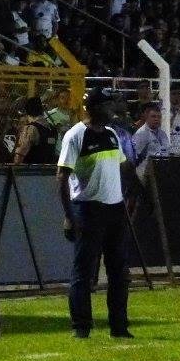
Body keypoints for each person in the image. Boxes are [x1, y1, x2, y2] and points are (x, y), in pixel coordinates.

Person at [57, 87, 134, 340]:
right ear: (94, 108)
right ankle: (81, 327)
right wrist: (69, 215)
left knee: (119, 271)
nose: (112, 110)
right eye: (108, 105)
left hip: (114, 209)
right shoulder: (75, 135)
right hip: (88, 209)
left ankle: (119, 326)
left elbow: (123, 166)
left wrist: (129, 193)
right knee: (84, 271)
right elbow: (62, 177)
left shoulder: (112, 135)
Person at [13, 97, 59, 165]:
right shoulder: (52, 129)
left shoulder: (30, 128)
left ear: (26, 113)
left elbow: (19, 155)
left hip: (30, 172)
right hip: (49, 172)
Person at [132, 102, 169, 184]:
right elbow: (135, 156)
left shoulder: (163, 134)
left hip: (161, 172)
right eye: (153, 116)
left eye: (159, 117)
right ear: (147, 118)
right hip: (145, 175)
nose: (156, 119)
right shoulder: (140, 134)